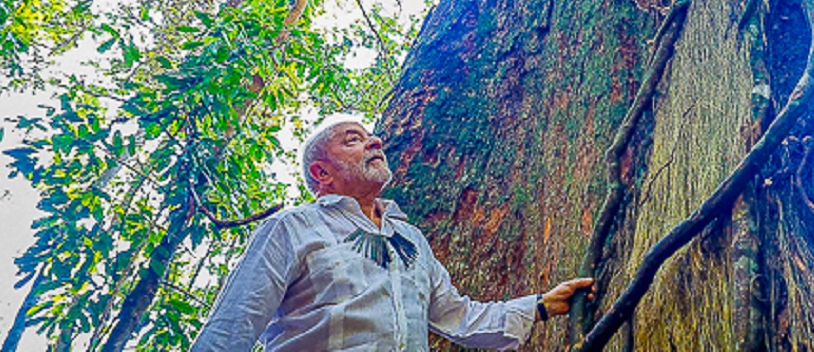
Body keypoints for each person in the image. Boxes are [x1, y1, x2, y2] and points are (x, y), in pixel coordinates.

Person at [190, 113, 594, 352]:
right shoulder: (291, 228)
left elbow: (458, 316)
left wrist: (540, 306)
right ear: (322, 173)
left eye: (371, 137)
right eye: (354, 140)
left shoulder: (411, 241)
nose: (374, 141)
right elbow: (233, 326)